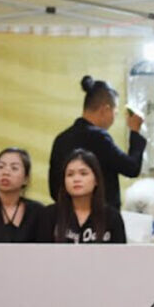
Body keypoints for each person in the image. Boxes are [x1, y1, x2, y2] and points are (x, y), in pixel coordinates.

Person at [49, 75, 145, 208]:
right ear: (105, 110)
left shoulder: (61, 139)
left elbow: (54, 190)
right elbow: (132, 168)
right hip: (100, 216)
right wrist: (135, 131)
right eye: (115, 113)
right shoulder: (100, 138)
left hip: (68, 216)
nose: (114, 118)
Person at [39, 149, 126, 244]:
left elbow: (121, 252)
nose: (76, 179)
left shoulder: (112, 217)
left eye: (83, 173)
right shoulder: (49, 215)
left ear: (96, 180)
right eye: (70, 174)